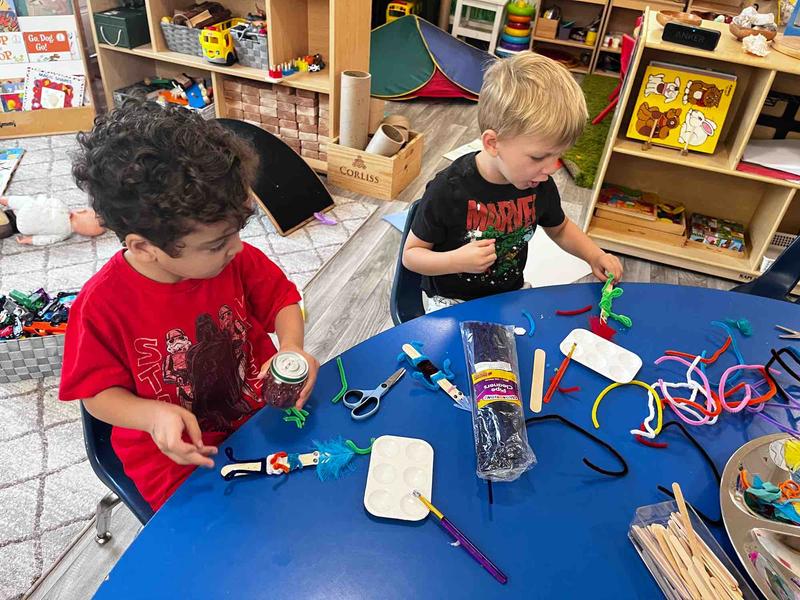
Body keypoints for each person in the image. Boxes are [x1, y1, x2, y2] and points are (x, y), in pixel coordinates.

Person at [59, 102, 319, 511]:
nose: (236, 248)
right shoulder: (100, 306)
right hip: (179, 459)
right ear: (144, 248)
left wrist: (291, 347)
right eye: (216, 244)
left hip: (261, 414)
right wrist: (152, 416)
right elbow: (96, 395)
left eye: (238, 232)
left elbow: (284, 302)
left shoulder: (235, 259)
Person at [402, 52, 623, 312]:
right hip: (451, 303)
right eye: (539, 157)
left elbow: (560, 228)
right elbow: (411, 256)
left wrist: (594, 255)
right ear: (493, 143)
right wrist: (456, 261)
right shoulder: (449, 190)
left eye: (558, 156)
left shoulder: (538, 183)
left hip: (509, 296)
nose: (551, 169)